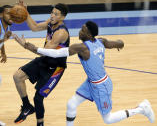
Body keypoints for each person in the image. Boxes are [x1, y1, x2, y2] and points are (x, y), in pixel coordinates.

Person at [13, 20, 155, 125]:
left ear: (88, 34)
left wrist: (34, 48)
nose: (79, 31)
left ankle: (142, 109)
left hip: (101, 86)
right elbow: (118, 43)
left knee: (108, 119)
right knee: (71, 104)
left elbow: (56, 53)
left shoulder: (82, 48)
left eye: (82, 29)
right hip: (91, 83)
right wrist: (120, 44)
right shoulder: (101, 41)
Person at [12, 3, 69, 126]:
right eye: (52, 12)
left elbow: (44, 52)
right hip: (45, 61)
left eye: (56, 14)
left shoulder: (61, 33)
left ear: (62, 17)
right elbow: (35, 27)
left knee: (38, 98)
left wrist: (25, 45)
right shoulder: (51, 22)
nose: (52, 15)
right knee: (17, 76)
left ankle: (40, 124)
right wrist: (25, 13)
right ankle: (27, 107)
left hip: (55, 68)